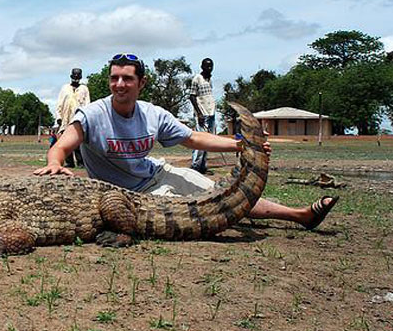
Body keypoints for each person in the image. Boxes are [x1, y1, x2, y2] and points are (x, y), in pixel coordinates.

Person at [34, 53, 337, 231]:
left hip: (157, 174)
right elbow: (63, 144)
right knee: (206, 209)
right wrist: (54, 163)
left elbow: (193, 138)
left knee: (223, 192)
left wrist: (239, 145)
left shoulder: (153, 115)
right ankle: (299, 215)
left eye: (127, 78)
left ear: (141, 83)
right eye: (114, 78)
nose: (119, 85)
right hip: (122, 196)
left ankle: (299, 216)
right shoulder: (93, 114)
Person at [56, 68, 90, 168]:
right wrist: (59, 117)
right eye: (74, 77)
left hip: (78, 118)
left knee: (78, 142)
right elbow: (60, 103)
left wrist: (85, 117)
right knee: (65, 141)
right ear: (71, 77)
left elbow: (87, 104)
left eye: (77, 77)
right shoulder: (65, 88)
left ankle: (81, 162)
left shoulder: (84, 89)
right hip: (65, 118)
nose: (76, 79)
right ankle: (69, 162)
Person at [189, 57, 216, 174]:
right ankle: (195, 166)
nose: (209, 68)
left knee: (208, 141)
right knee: (200, 141)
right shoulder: (197, 79)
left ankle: (202, 165)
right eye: (207, 66)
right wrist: (199, 114)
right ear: (202, 67)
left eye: (211, 66)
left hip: (211, 113)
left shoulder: (210, 80)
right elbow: (192, 96)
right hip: (202, 114)